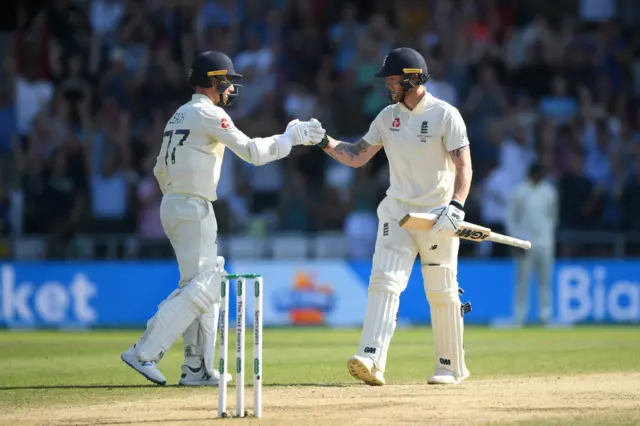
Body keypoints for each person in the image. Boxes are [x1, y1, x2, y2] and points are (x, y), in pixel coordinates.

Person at [121, 51, 325, 386]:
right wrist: (293, 138)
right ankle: (144, 351)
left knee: (201, 286)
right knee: (206, 284)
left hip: (174, 202)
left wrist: (177, 193)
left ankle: (195, 369)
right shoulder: (209, 114)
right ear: (214, 81)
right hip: (192, 206)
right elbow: (254, 154)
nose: (230, 88)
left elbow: (160, 168)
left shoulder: (179, 115)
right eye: (227, 81)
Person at [311, 47, 473, 385]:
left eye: (393, 79)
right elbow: (357, 155)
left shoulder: (446, 115)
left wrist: (456, 205)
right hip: (398, 212)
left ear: (413, 78)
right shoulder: (387, 117)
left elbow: (463, 164)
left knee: (441, 290)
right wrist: (325, 141)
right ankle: (371, 359)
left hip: (437, 215)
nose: (388, 85)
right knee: (384, 282)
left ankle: (450, 367)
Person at [506, 163, 558, 326]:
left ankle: (545, 316)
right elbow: (511, 217)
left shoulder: (549, 192)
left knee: (545, 281)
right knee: (522, 281)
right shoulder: (519, 192)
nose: (539, 177)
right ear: (531, 174)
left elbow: (553, 217)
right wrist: (515, 240)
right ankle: (520, 316)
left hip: (545, 242)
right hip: (524, 242)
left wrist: (549, 235)